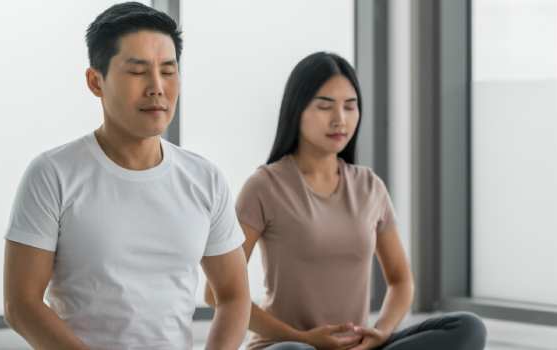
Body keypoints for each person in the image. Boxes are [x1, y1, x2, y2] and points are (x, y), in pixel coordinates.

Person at [2, 3, 250, 349]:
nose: (157, 87)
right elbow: (21, 304)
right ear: (96, 82)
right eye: (137, 72)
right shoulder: (52, 174)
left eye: (168, 71)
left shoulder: (204, 178)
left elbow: (234, 295)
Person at [207, 52, 487, 350]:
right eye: (325, 106)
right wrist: (303, 338)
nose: (340, 119)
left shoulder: (369, 186)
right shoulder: (264, 186)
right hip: (289, 346)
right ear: (296, 110)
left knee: (467, 327)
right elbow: (215, 293)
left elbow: (401, 281)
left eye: (350, 107)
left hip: (355, 347)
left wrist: (379, 333)